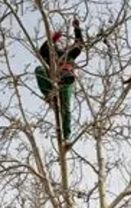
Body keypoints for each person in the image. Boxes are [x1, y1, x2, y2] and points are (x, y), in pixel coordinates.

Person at [35, 18, 84, 148]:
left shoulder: (69, 53)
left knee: (66, 109)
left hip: (66, 81)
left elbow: (79, 45)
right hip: (53, 80)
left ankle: (66, 136)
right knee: (39, 69)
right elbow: (42, 50)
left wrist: (76, 28)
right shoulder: (51, 55)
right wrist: (54, 36)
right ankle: (50, 95)